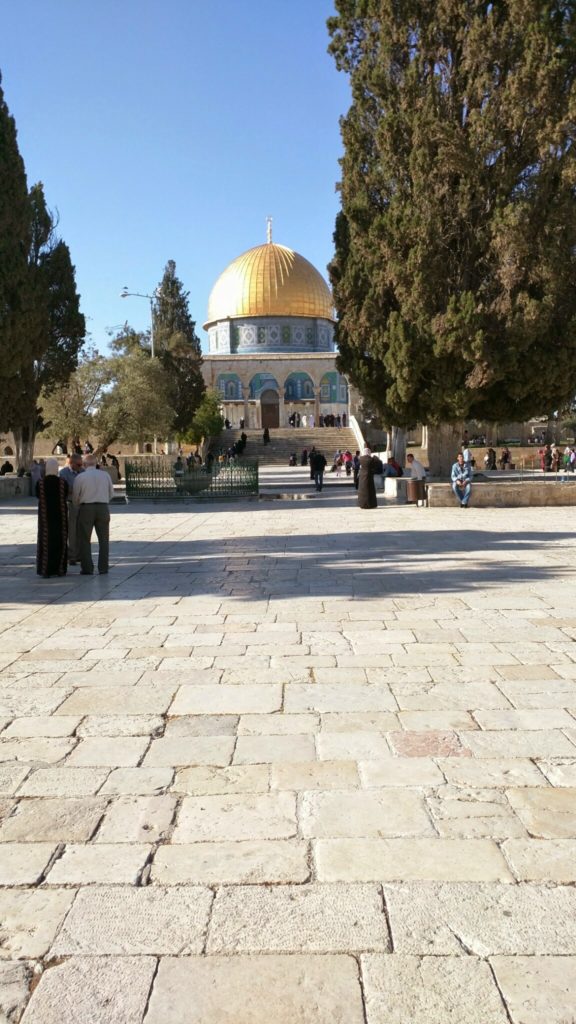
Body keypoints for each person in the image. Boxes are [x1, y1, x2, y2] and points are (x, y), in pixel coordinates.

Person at [73, 454, 114, 575]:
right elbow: (111, 493)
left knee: (85, 539)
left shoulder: (80, 477)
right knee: (104, 539)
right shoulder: (105, 475)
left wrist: (78, 505)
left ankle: (87, 568)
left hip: (86, 508)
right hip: (102, 507)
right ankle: (103, 567)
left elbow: (76, 496)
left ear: (84, 464)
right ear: (96, 463)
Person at [36, 458, 68, 578]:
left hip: (45, 519)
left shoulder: (40, 483)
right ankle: (60, 569)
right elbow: (65, 494)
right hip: (60, 518)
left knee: (46, 542)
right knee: (60, 541)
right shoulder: (62, 482)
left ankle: (45, 570)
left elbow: (38, 495)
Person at [59, 452, 83, 565]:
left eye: (81, 464)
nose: (80, 467)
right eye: (78, 465)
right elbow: (64, 489)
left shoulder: (83, 471)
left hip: (82, 503)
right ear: (71, 463)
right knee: (72, 530)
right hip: (71, 504)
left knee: (81, 530)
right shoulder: (63, 473)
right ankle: (72, 555)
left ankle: (80, 554)